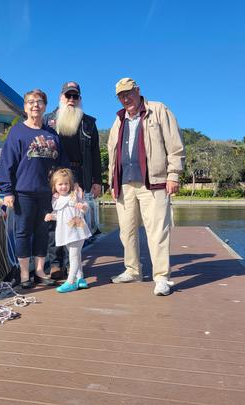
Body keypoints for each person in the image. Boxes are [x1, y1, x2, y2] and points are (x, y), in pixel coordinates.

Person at [108, 78, 185, 296]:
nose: (126, 98)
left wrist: (173, 175)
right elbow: (112, 154)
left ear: (138, 91)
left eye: (128, 93)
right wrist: (111, 182)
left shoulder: (158, 110)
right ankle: (132, 270)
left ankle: (162, 278)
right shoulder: (118, 119)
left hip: (154, 183)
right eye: (121, 95)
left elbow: (175, 145)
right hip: (124, 184)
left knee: (157, 232)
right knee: (126, 232)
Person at [0, 89, 69, 289]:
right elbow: (7, 163)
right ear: (25, 107)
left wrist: (66, 187)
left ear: (45, 106)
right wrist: (6, 191)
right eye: (30, 102)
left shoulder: (51, 133)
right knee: (23, 232)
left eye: (39, 102)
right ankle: (24, 273)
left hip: (47, 193)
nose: (35, 105)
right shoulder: (17, 132)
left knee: (43, 231)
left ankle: (39, 271)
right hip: (23, 192)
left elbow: (62, 164)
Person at [43, 81, 102, 279]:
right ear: (60, 97)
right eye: (67, 96)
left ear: (79, 99)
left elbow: (95, 155)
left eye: (75, 96)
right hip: (54, 176)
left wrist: (96, 181)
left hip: (79, 175)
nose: (71, 99)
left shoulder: (89, 123)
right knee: (55, 221)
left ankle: (73, 266)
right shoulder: (47, 120)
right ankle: (55, 264)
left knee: (75, 221)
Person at [44, 168, 92, 293]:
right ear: (55, 185)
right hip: (65, 231)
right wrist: (51, 216)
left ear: (70, 184)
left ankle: (70, 281)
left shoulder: (75, 194)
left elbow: (85, 206)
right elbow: (58, 214)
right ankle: (80, 279)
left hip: (77, 229)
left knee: (73, 255)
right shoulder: (56, 199)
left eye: (66, 184)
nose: (63, 187)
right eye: (60, 184)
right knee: (76, 255)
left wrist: (82, 207)